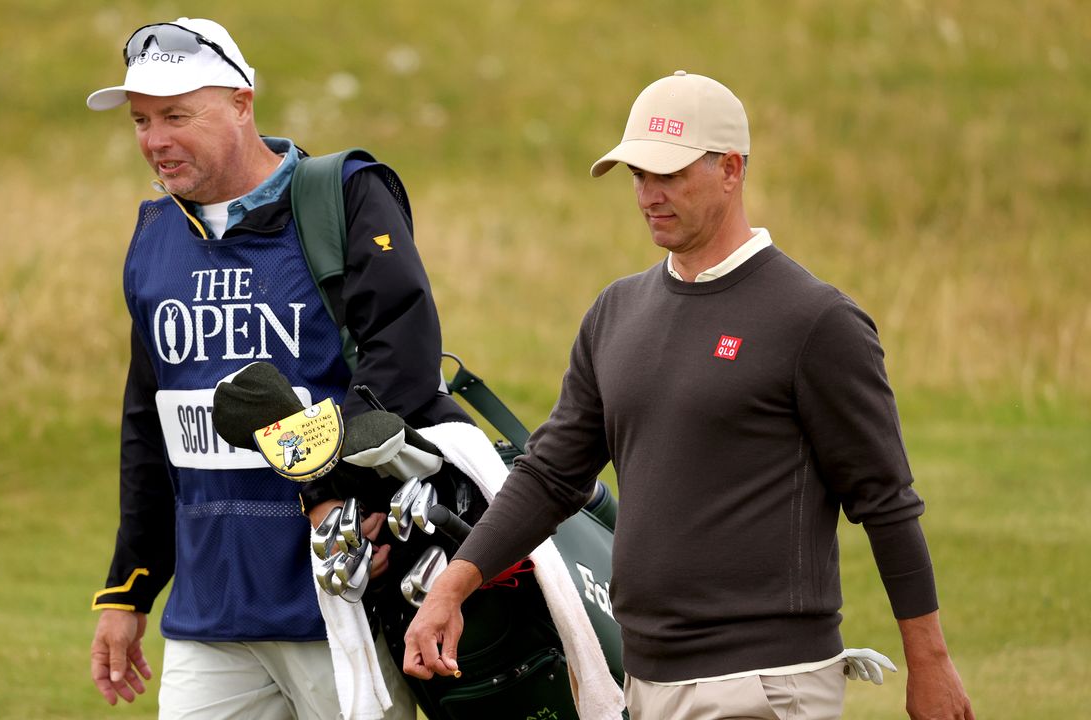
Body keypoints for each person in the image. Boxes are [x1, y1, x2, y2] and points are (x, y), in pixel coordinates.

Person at [403, 71, 975, 719]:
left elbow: (886, 502)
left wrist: (929, 662)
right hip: (645, 682)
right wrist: (454, 583)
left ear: (731, 169)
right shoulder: (616, 312)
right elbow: (551, 475)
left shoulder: (814, 322)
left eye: (668, 175)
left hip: (767, 684)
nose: (648, 194)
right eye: (637, 176)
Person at [84, 17, 467, 719]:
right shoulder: (154, 235)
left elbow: (401, 364)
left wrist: (340, 498)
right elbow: (152, 424)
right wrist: (128, 590)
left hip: (338, 601)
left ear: (241, 101)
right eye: (141, 120)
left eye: (176, 115)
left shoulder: (345, 196)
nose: (155, 140)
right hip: (210, 616)